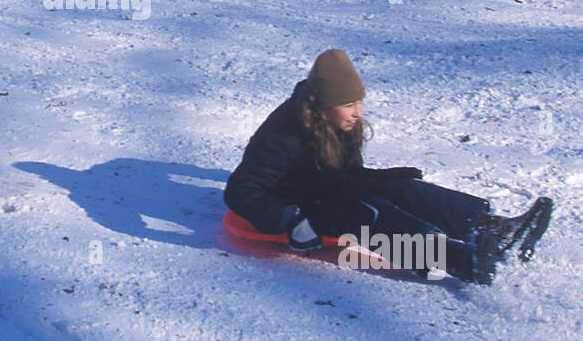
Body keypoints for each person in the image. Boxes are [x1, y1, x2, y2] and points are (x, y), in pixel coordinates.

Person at [224, 49, 553, 284]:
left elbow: (346, 175)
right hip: (297, 207)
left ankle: (494, 228)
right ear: (322, 105)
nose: (357, 112)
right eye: (348, 104)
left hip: (328, 191)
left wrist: (386, 180)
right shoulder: (281, 134)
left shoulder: (341, 125)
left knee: (402, 189)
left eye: (359, 102)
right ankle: (465, 261)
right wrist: (292, 220)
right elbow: (240, 191)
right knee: (369, 214)